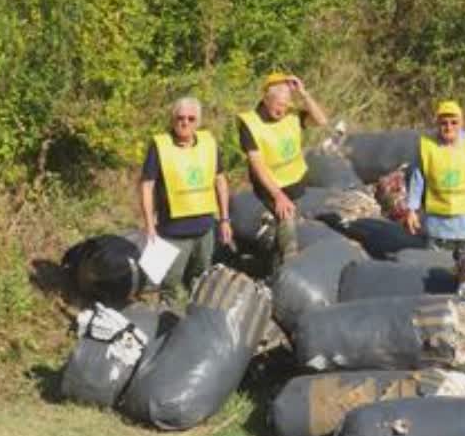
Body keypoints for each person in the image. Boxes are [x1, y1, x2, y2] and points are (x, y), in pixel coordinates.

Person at [140, 97, 233, 300]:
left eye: (191, 119)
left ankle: (195, 325)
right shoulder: (160, 147)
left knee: (201, 282)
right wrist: (149, 225)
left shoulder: (208, 143)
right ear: (173, 120)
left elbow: (220, 180)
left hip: (205, 231)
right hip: (172, 233)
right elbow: (147, 186)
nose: (185, 123)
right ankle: (172, 325)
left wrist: (225, 219)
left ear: (198, 122)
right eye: (180, 118)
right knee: (171, 286)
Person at [237, 72, 328, 262]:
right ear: (266, 99)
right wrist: (277, 195)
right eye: (278, 105)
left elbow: (321, 121)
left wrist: (304, 94)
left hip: (296, 182)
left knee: (290, 223)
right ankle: (286, 267)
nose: (282, 110)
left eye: (286, 104)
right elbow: (257, 165)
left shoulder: (292, 114)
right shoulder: (251, 124)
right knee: (287, 229)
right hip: (271, 186)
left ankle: (277, 249)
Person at [403, 100, 465, 256]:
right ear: (437, 123)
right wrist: (412, 210)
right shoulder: (427, 146)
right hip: (438, 226)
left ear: (462, 123)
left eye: (454, 122)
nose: (449, 127)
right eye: (444, 123)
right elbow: (417, 179)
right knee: (438, 270)